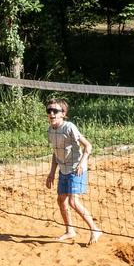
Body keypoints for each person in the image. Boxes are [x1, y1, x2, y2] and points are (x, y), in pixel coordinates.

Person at [45, 97, 103, 244]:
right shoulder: (50, 130)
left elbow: (88, 146)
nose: (51, 113)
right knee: (61, 200)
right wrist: (52, 172)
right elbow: (55, 152)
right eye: (49, 110)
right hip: (63, 170)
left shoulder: (69, 127)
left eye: (55, 111)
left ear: (63, 114)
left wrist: (82, 164)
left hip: (76, 169)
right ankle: (70, 230)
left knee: (73, 201)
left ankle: (95, 229)